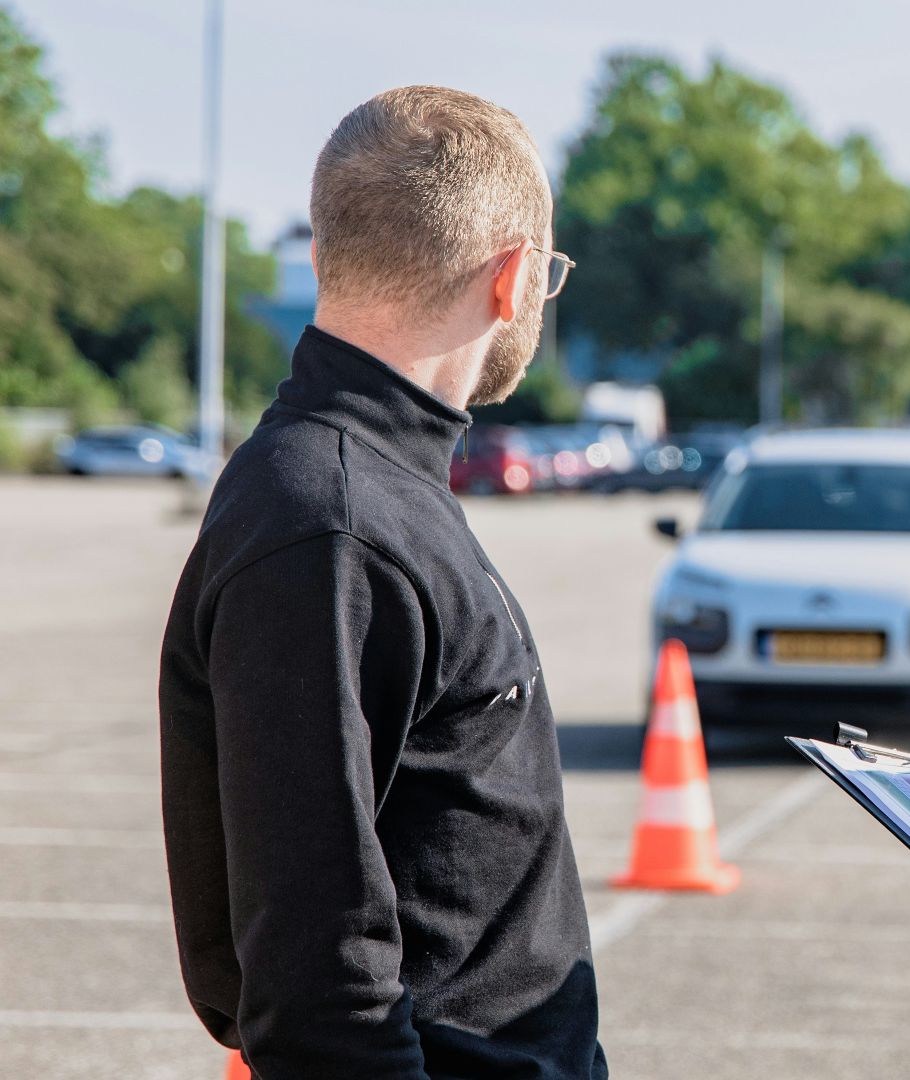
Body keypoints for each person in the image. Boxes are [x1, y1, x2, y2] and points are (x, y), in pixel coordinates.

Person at [158, 86, 603, 1078]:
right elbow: (319, 992)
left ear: (323, 257)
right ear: (515, 277)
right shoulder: (332, 523)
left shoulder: (362, 492)